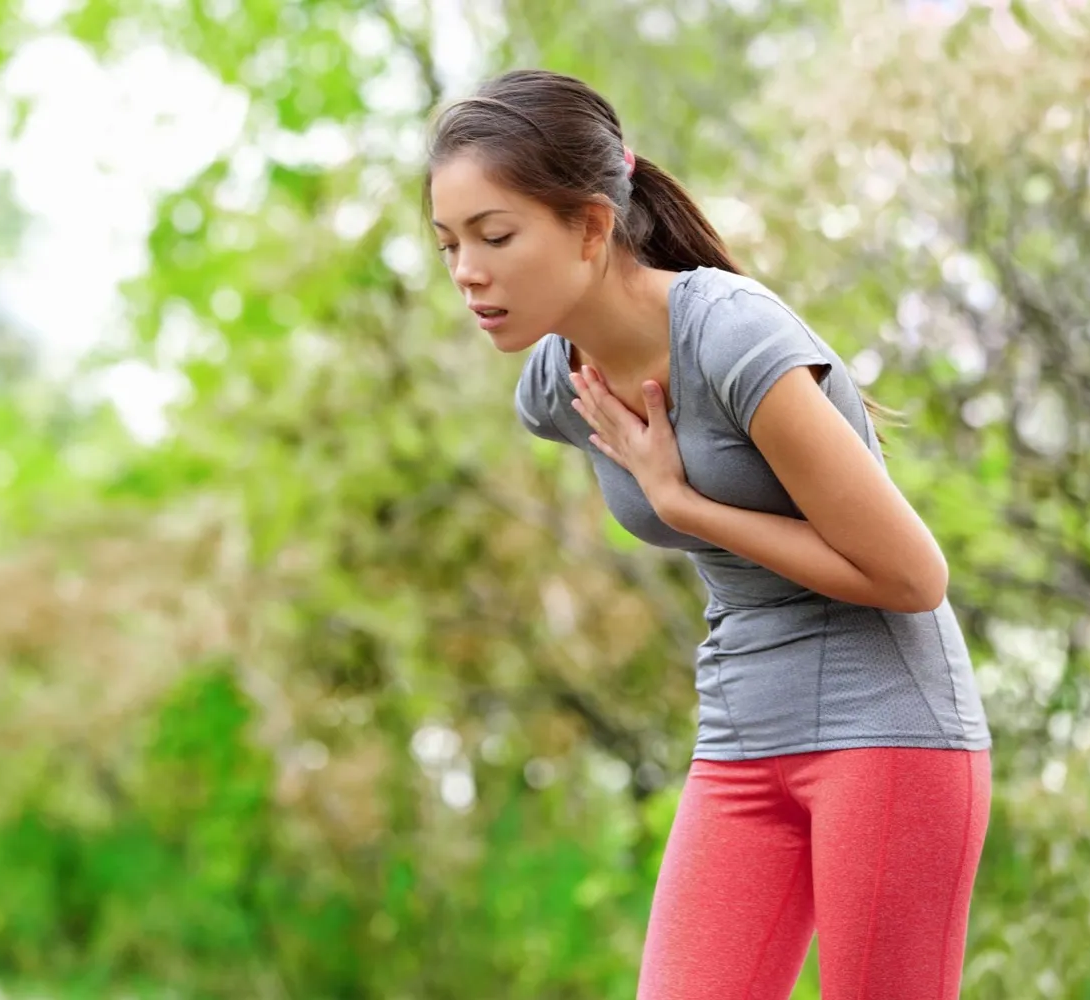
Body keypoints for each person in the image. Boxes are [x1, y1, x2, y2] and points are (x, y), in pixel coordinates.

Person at [424, 69, 993, 999]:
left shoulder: (731, 337)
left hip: (887, 727)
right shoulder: (555, 387)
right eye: (449, 243)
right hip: (739, 736)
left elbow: (913, 576)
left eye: (495, 236)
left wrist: (687, 506)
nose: (466, 272)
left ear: (593, 226)